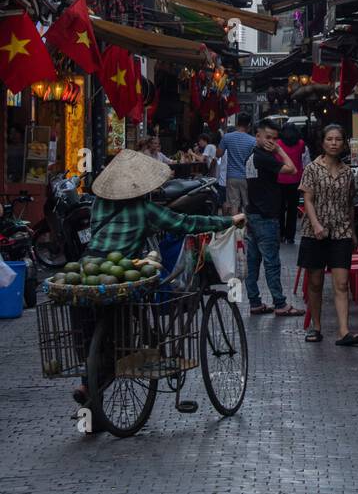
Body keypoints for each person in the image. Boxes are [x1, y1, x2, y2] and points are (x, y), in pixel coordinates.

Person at [72, 148, 245, 405]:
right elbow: (186, 223)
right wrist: (227, 221)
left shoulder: (99, 204)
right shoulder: (146, 210)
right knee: (140, 299)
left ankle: (90, 381)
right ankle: (123, 360)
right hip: (122, 271)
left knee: (96, 321)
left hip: (88, 268)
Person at [298, 123, 358, 346]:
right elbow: (307, 199)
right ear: (323, 142)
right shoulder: (312, 169)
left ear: (344, 143)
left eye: (338, 139)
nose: (334, 143)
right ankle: (316, 327)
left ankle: (343, 331)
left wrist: (352, 232)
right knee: (315, 282)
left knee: (342, 283)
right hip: (314, 232)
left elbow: (349, 203)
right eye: (330, 139)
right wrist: (316, 224)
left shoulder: (347, 173)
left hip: (341, 231)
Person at [244, 120, 304, 317]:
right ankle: (280, 303)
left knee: (253, 261)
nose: (271, 141)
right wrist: (279, 149)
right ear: (258, 136)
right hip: (266, 216)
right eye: (267, 137)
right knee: (271, 262)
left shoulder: (252, 155)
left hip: (252, 213)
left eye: (274, 138)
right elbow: (292, 169)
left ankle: (255, 302)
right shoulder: (264, 157)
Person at [216, 113, 255, 214]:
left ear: (237, 124)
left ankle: (236, 228)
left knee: (234, 204)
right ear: (249, 125)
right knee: (247, 204)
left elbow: (219, 154)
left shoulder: (227, 137)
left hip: (232, 176)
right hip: (247, 177)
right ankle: (247, 228)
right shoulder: (253, 140)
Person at [277, 123, 306, 244]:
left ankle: (281, 234)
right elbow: (303, 157)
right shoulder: (301, 143)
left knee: (280, 209)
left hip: (279, 179)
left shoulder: (278, 143)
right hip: (295, 179)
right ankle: (290, 236)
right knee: (292, 209)